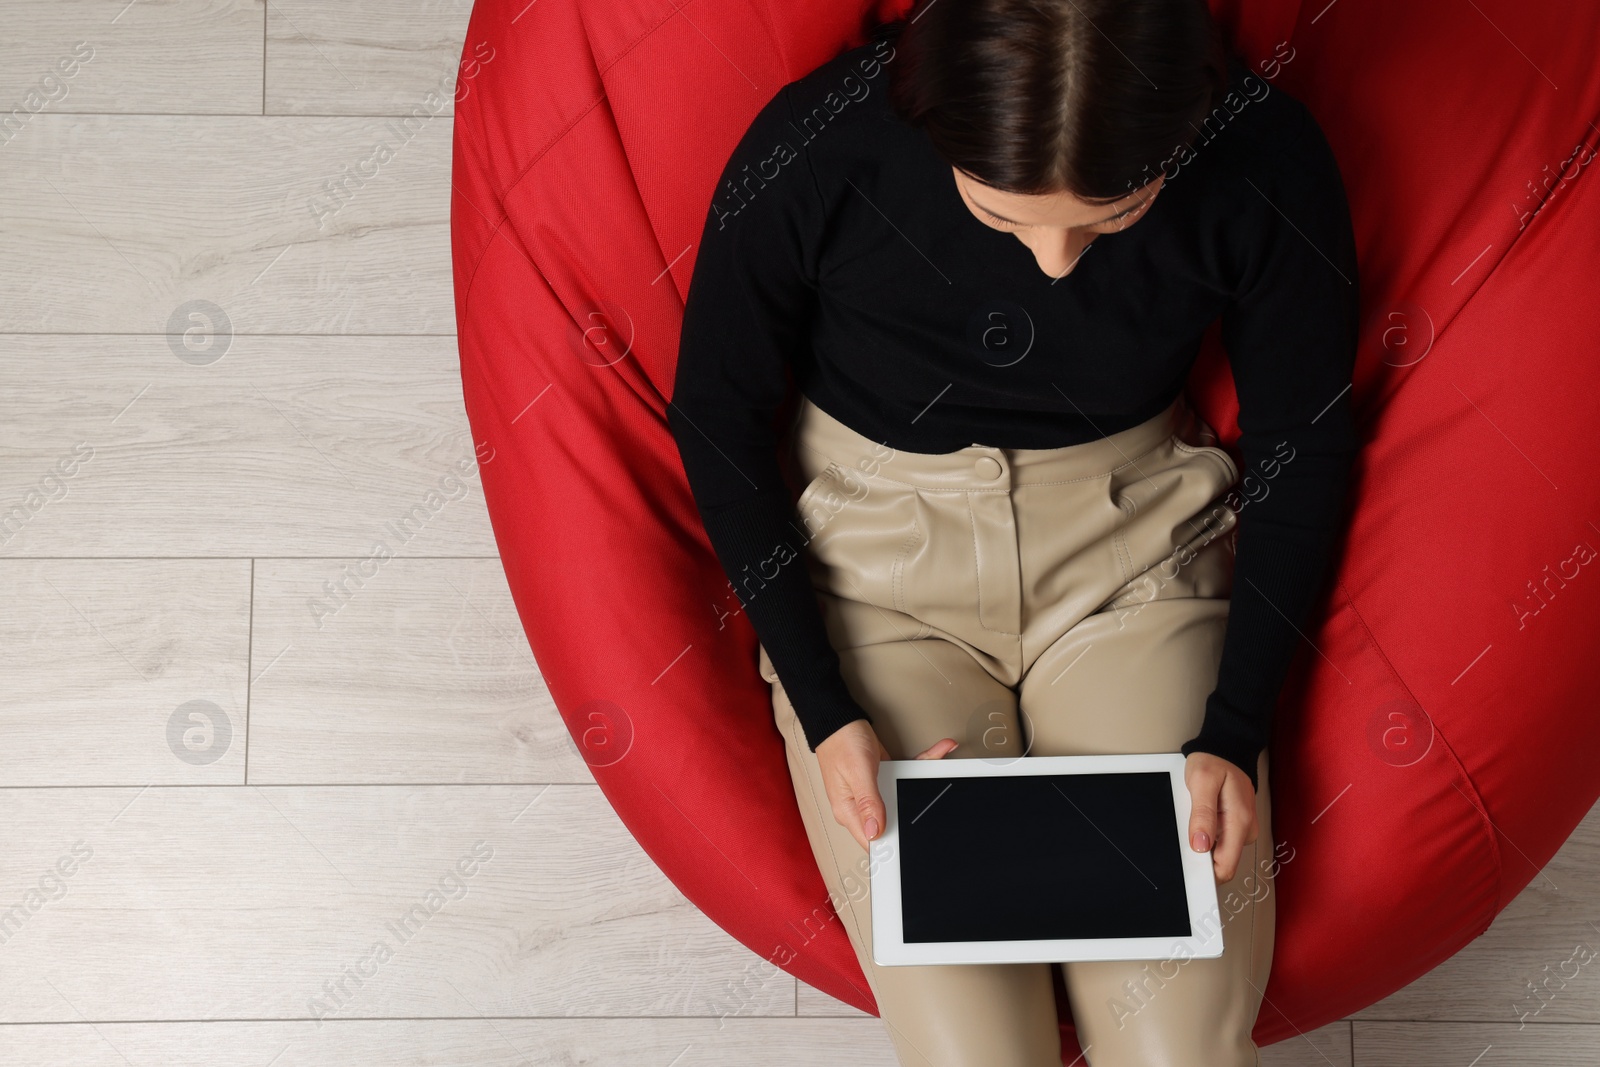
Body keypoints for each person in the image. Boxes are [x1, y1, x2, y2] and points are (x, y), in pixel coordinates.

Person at [668, 1, 1359, 1063]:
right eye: (1002, 215)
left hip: (1131, 557)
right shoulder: (821, 140)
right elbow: (716, 412)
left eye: (1114, 213)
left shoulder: (1265, 157)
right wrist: (826, 709)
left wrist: (1231, 731)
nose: (1053, 263)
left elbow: (1300, 446)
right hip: (876, 573)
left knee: (1179, 1047)